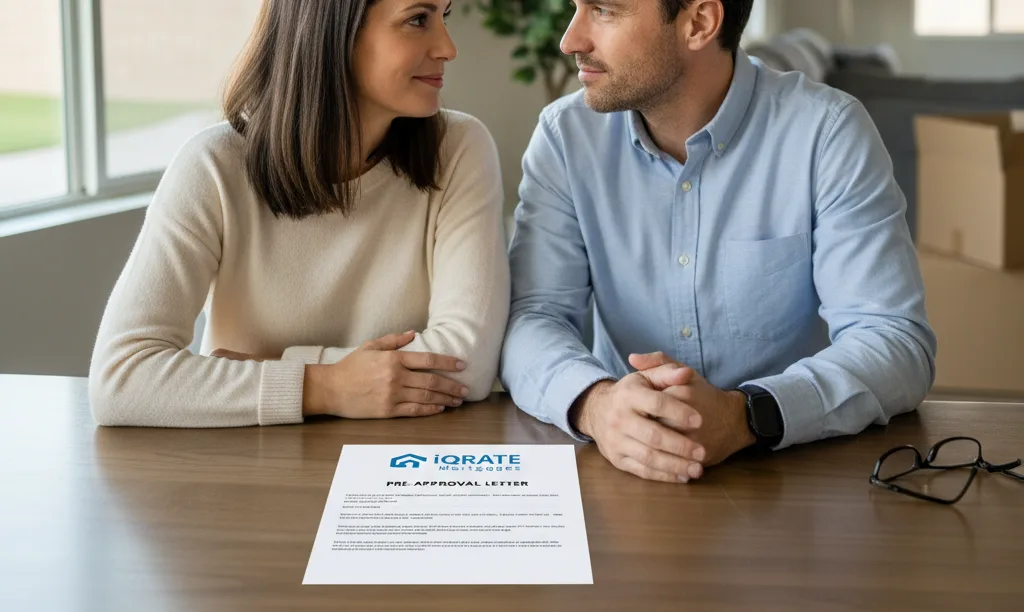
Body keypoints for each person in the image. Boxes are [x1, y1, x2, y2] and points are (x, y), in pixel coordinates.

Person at [500, 0, 936, 483]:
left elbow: (895, 342)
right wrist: (597, 405)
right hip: (624, 471)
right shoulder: (566, 137)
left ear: (699, 23)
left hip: (793, 478)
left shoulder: (826, 133)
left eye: (604, 10)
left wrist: (744, 415)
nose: (570, 40)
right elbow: (532, 317)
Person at [89, 0, 509, 427]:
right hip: (253, 468)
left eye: (444, 16)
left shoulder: (458, 148)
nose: (447, 47)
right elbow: (121, 380)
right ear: (331, 32)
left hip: (402, 464)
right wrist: (325, 387)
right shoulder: (212, 165)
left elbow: (466, 366)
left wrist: (279, 366)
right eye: (418, 19)